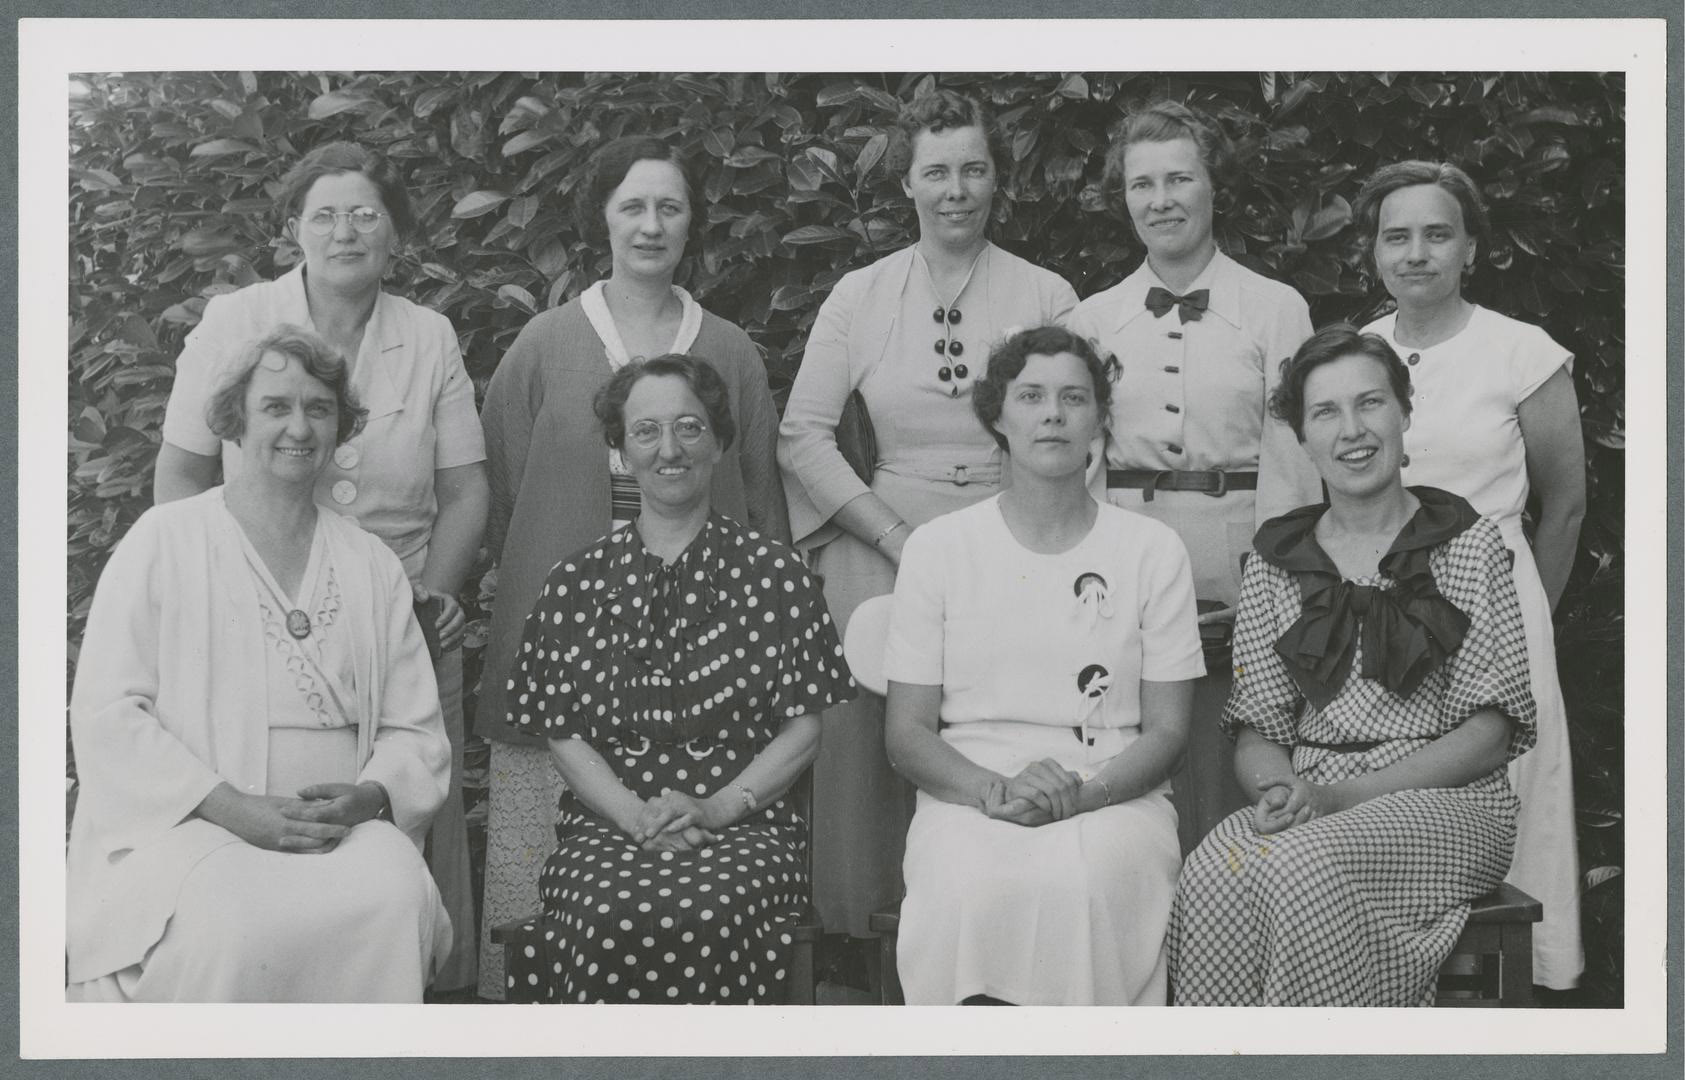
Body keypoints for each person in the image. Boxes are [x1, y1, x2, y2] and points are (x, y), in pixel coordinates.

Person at [153, 141, 488, 991]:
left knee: (400, 820)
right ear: (293, 229)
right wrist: (195, 582)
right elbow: (183, 470)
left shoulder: (428, 334)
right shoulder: (236, 320)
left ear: (395, 234)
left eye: (366, 213)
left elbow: (465, 486)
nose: (346, 231)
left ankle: (410, 1003)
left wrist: (436, 594)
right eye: (325, 214)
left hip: (398, 612)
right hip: (248, 606)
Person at [475, 136, 788, 998]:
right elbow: (507, 489)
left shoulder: (728, 349)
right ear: (601, 220)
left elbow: (762, 499)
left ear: (692, 222)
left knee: (689, 887)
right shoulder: (543, 345)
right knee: (539, 883)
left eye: (670, 206)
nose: (651, 225)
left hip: (704, 671)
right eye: (632, 207)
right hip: (559, 652)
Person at [67, 327, 452, 1002]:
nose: (298, 428)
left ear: (340, 427)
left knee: (394, 894)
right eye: (276, 407)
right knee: (236, 921)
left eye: (318, 408)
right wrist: (233, 808)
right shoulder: (165, 540)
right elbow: (107, 715)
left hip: (341, 834)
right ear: (234, 420)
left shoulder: (370, 563)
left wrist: (369, 797)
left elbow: (414, 730)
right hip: (192, 831)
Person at [778, 90, 1079, 951]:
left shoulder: (1046, 291)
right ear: (906, 184)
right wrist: (889, 535)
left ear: (997, 181)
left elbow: (1073, 428)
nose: (957, 189)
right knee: (866, 720)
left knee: (1011, 712)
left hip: (1012, 535)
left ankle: (1016, 921)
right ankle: (864, 937)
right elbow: (801, 432)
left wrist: (1012, 536)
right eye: (937, 171)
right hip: (888, 537)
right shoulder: (860, 294)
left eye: (974, 169)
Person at [1168, 325, 1537, 1006]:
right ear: (1302, 439)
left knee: (1301, 867)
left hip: (1449, 805)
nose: (1351, 431)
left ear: (1404, 412)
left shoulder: (1466, 544)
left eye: (1369, 403)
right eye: (1324, 413)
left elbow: (1488, 737)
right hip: (1313, 797)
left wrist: (1338, 801)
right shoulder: (1279, 561)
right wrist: (1278, 787)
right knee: (1212, 870)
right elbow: (1256, 728)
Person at [501, 355, 853, 1003]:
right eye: (646, 431)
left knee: (710, 912)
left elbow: (804, 729)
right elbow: (564, 735)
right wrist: (636, 818)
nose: (670, 449)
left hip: (749, 830)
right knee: (606, 915)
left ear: (719, 443)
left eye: (690, 428)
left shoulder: (776, 575)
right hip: (606, 827)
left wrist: (716, 809)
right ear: (620, 452)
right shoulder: (574, 583)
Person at [883, 326, 1203, 1005]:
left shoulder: (1152, 550)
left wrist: (1082, 796)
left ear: (1098, 419)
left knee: (1085, 885)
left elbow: (1169, 734)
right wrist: (993, 792)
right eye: (1030, 396)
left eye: (1073, 398)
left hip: (1115, 794)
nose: (1052, 414)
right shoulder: (938, 549)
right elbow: (906, 733)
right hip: (968, 794)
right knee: (968, 886)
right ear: (995, 415)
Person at [1066, 100, 1323, 853]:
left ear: (1213, 189)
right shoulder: (1093, 319)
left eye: (1179, 179)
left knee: (1229, 751)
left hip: (1236, 566)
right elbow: (1081, 466)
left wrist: (1270, 587)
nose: (1161, 200)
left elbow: (1292, 459)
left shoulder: (1275, 308)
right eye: (1142, 185)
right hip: (1127, 569)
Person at [1355, 160, 1585, 991]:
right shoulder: (1357, 354)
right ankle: (1392, 976)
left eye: (1437, 233)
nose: (1416, 253)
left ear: (1471, 248)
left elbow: (1561, 508)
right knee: (1393, 787)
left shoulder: (1519, 351)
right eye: (1396, 236)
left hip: (1497, 599)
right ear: (1376, 254)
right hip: (1381, 600)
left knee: (1514, 778)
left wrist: (1528, 622)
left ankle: (1529, 981)